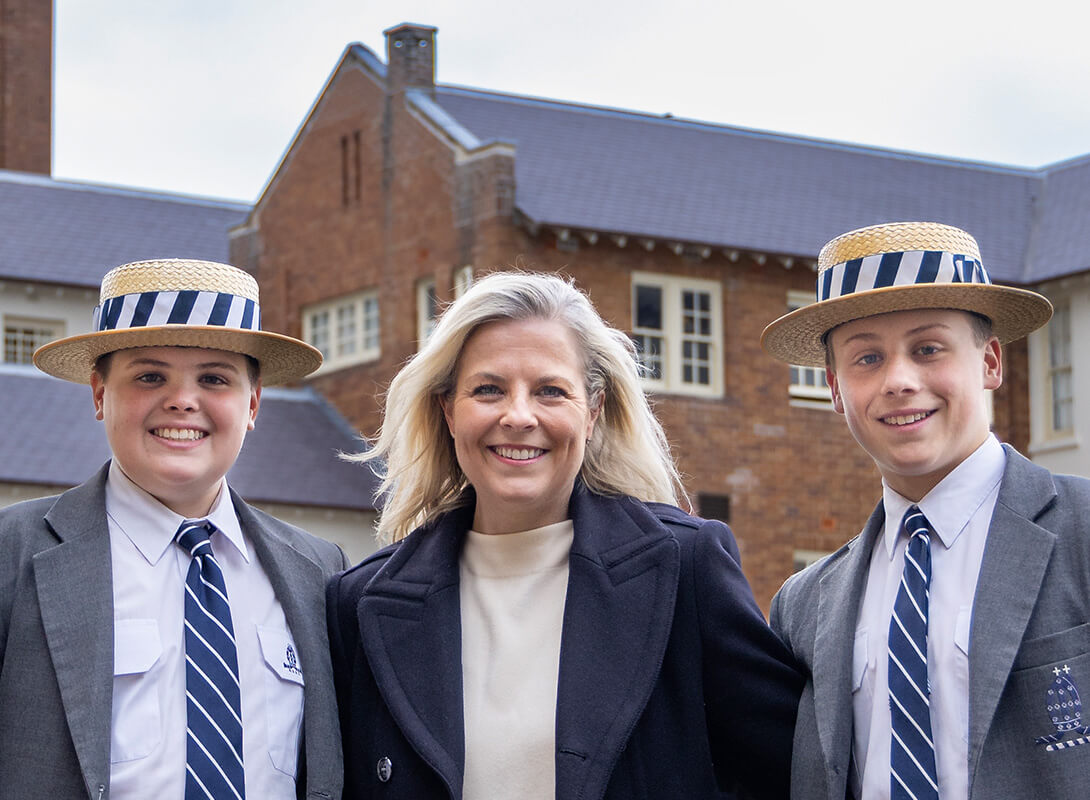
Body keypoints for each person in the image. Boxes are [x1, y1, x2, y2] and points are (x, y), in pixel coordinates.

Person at [327, 270, 804, 799]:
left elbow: (797, 774)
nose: (518, 416)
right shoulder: (361, 604)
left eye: (550, 391)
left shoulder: (686, 568)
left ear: (593, 411)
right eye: (488, 389)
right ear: (447, 411)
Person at [761, 220, 1090, 799]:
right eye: (866, 358)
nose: (899, 381)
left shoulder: (1082, 531)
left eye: (928, 348)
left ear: (990, 362)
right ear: (836, 390)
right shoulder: (802, 605)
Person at [0, 259, 349, 799]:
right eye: (149, 376)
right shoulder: (13, 553)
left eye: (214, 378)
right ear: (99, 393)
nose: (183, 400)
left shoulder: (320, 573)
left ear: (252, 403)